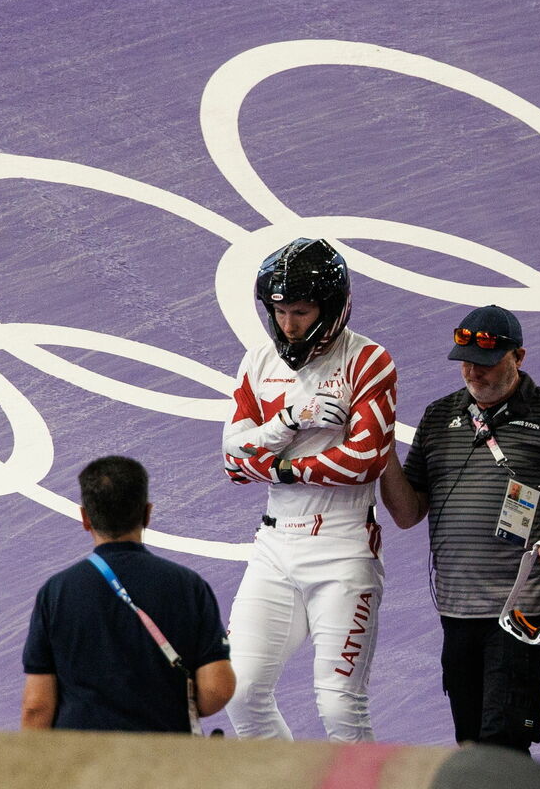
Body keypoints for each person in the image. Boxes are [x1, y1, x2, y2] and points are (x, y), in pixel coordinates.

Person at [379, 304, 540, 755]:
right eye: (464, 361)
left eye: (485, 363)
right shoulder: (437, 417)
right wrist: (382, 446)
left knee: (503, 747)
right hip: (456, 611)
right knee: (473, 750)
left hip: (520, 610)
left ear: (518, 357)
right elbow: (408, 513)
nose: (473, 372)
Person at [220, 237, 397, 742]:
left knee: (340, 707)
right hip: (274, 549)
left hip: (343, 549)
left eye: (299, 310)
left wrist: (281, 468)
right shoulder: (257, 361)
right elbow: (232, 462)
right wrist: (288, 422)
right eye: (278, 311)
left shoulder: (368, 361)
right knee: (239, 690)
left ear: (333, 307)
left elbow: (366, 460)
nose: (288, 325)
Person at [21, 456, 235, 732]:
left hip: (81, 763)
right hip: (167, 762)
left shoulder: (56, 593)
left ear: (86, 518)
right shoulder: (189, 586)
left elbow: (36, 706)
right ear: (147, 513)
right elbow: (216, 690)